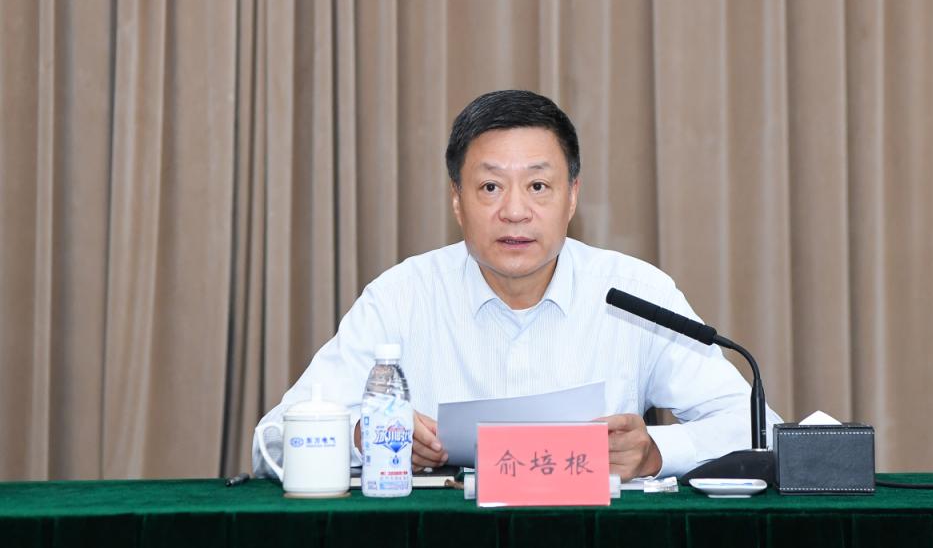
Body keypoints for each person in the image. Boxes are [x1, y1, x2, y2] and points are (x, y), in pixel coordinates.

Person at [253, 89, 779, 481]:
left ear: (572, 197)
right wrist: (364, 437)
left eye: (538, 185)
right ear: (456, 200)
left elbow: (759, 430)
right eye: (489, 187)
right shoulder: (403, 295)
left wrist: (656, 452)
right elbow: (273, 440)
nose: (515, 211)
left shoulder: (635, 293)